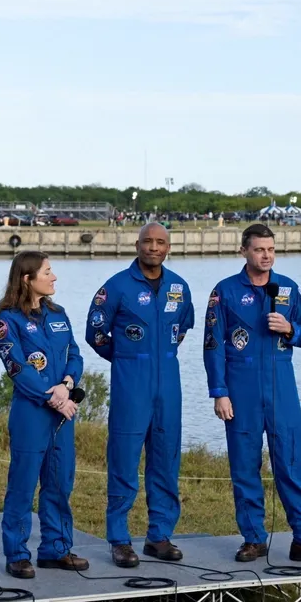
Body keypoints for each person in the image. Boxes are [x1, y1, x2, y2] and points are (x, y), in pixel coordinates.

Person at [202, 224, 301, 566]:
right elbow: (212, 345)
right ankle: (253, 539)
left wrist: (290, 329)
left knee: (290, 464)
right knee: (245, 467)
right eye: (259, 249)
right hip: (241, 388)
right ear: (244, 251)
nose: (266, 256)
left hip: (281, 385)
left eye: (271, 249)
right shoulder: (225, 291)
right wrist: (219, 392)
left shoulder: (288, 289)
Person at [84, 222, 195, 568]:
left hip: (169, 384)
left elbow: (182, 329)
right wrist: (126, 357)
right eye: (148, 241)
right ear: (137, 245)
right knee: (124, 461)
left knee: (166, 460)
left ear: (168, 247)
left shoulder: (179, 287)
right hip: (131, 384)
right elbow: (95, 333)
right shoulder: (116, 286)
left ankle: (159, 536)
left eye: (161, 242)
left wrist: (160, 355)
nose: (154, 247)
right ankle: (119, 539)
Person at [0, 251, 90, 578]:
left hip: (61, 416)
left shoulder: (58, 314)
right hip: (31, 413)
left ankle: (56, 548)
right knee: (23, 485)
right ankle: (17, 553)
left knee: (60, 483)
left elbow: (75, 354)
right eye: (47, 272)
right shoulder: (7, 320)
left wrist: (67, 384)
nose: (54, 277)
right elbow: (16, 367)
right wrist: (53, 398)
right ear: (27, 278)